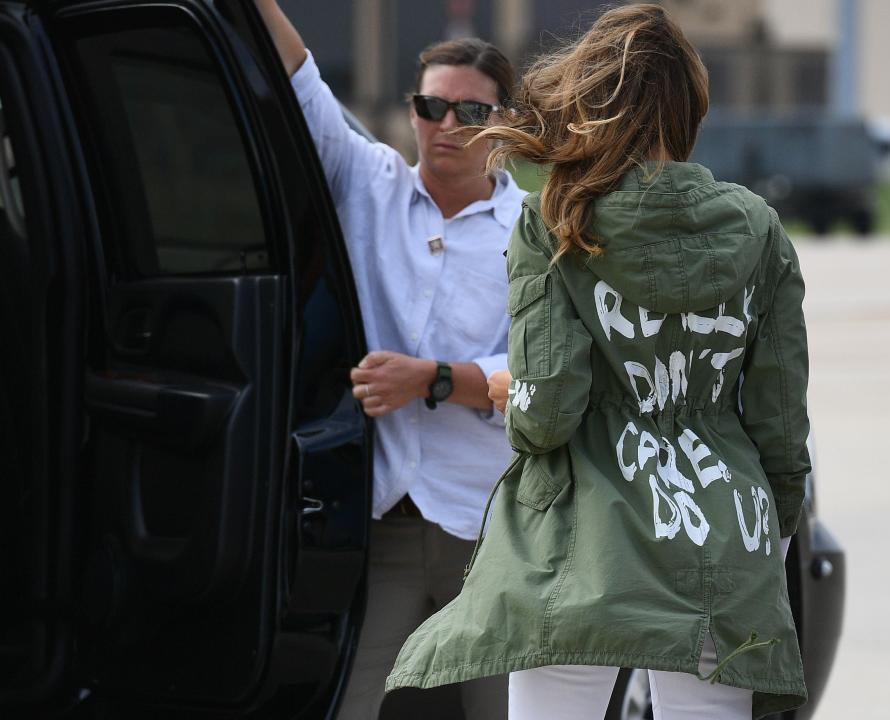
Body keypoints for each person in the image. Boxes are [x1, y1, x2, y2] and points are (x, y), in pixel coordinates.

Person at [386, 5, 811, 719]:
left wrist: (503, 391)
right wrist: (773, 524)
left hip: (579, 548)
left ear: (591, 100)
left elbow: (548, 413)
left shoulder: (556, 217)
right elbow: (779, 422)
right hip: (721, 531)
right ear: (688, 105)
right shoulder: (759, 228)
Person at [253, 2, 524, 718]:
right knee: (350, 705)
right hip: (391, 521)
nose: (447, 124)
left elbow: (543, 374)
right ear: (413, 111)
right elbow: (297, 72)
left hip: (497, 529)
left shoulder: (536, 232)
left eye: (470, 110)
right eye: (431, 105)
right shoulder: (370, 184)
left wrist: (429, 378)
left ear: (506, 123)